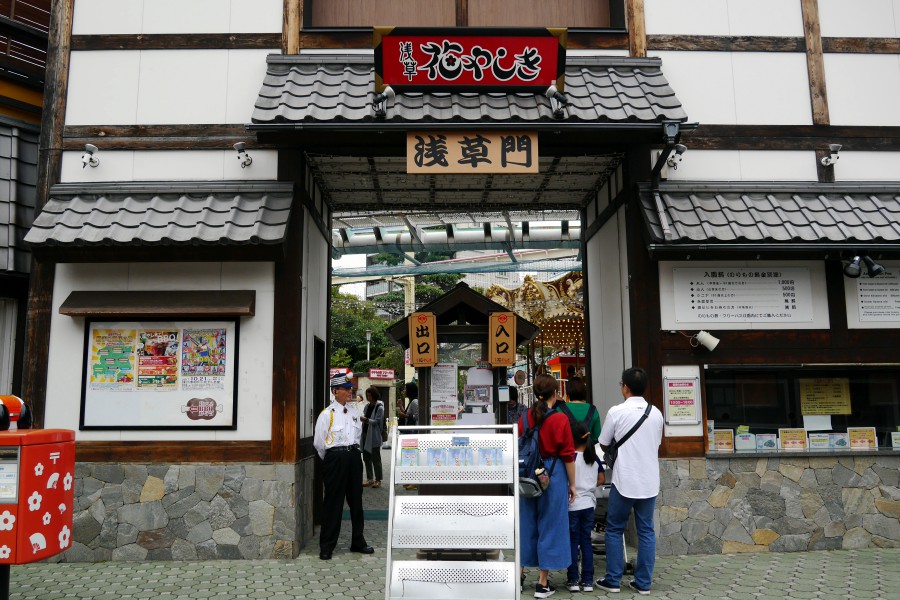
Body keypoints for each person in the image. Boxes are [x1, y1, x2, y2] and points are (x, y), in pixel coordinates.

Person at [596, 367, 664, 595]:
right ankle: (643, 583)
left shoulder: (616, 412)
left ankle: (613, 580)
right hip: (649, 481)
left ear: (625, 387)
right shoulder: (656, 413)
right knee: (646, 531)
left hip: (624, 480)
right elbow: (657, 443)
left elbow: (603, 443)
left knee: (614, 529)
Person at [519, 374, 576, 599]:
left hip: (526, 475)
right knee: (550, 524)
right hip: (552, 475)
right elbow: (568, 456)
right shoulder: (560, 419)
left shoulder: (524, 417)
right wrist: (573, 484)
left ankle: (519, 574)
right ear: (555, 394)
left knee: (527, 524)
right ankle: (542, 582)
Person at [312, 372, 374, 560]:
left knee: (356, 502)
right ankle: (327, 546)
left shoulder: (355, 413)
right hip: (335, 459)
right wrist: (334, 459)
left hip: (354, 458)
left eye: (351, 389)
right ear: (334, 391)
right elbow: (319, 444)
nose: (350, 392)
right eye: (346, 389)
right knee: (333, 503)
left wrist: (351, 455)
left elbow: (356, 438)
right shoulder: (326, 415)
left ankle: (358, 541)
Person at [566, 421, 606, 593]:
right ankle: (588, 581)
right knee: (586, 542)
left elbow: (566, 480)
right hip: (589, 504)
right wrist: (590, 485)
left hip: (572, 505)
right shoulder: (593, 457)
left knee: (573, 543)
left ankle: (573, 579)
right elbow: (602, 479)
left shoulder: (570, 458)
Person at [557, 377, 602, 444]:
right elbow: (597, 436)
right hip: (587, 451)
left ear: (568, 393)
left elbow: (557, 436)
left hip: (567, 451)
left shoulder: (559, 409)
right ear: (584, 391)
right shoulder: (593, 410)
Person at [360, 386, 384, 489]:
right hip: (365, 434)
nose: (368, 397)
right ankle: (370, 478)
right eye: (367, 395)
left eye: (369, 395)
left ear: (374, 395)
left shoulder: (380, 407)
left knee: (376, 458)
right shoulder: (367, 406)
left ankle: (378, 479)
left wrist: (366, 420)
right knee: (366, 458)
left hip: (374, 436)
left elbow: (377, 422)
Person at [398, 381, 420, 490]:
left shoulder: (415, 401)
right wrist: (402, 407)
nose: (404, 391)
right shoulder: (411, 401)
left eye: (405, 389)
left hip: (413, 433)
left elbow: (417, 417)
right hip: (410, 433)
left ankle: (415, 482)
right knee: (409, 456)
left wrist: (405, 416)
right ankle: (410, 480)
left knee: (413, 456)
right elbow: (410, 414)